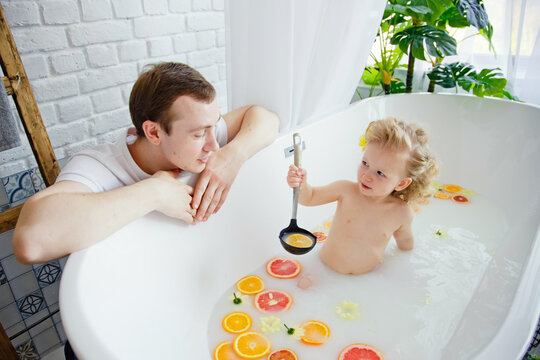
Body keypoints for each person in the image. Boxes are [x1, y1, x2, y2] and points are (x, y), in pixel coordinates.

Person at [13, 62, 279, 264]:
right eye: (199, 134)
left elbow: (265, 118)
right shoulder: (98, 166)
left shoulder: (205, 142)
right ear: (153, 132)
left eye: (214, 126)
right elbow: (30, 242)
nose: (213, 144)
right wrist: (155, 192)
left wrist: (234, 155)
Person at [287, 117, 438, 278]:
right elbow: (309, 198)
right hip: (322, 270)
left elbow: (406, 246)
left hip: (365, 278)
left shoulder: (401, 213)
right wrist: (301, 185)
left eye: (380, 173)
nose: (366, 176)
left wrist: (404, 272)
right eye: (365, 163)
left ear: (401, 183)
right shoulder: (345, 190)